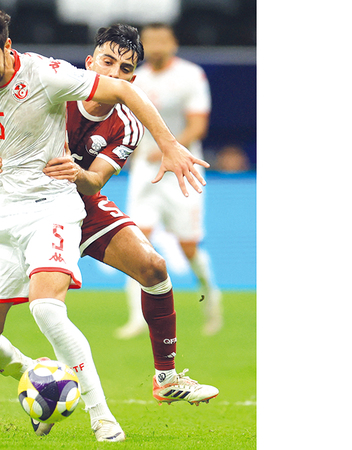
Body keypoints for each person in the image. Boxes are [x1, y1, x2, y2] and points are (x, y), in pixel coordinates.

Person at [0, 6, 209, 443]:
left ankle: (163, 379)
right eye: (108, 62)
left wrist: (82, 172)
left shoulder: (121, 123)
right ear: (90, 63)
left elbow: (95, 182)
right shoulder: (60, 83)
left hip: (71, 204)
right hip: (12, 202)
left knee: (152, 268)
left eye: (126, 69)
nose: (116, 74)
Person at [118, 23, 223, 339]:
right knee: (137, 242)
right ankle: (136, 318)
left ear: (173, 43)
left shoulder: (190, 76)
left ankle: (210, 295)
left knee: (188, 246)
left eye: (162, 40)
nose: (156, 46)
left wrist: (170, 148)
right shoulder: (135, 79)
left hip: (182, 169)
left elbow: (198, 126)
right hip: (146, 173)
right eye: (150, 41)